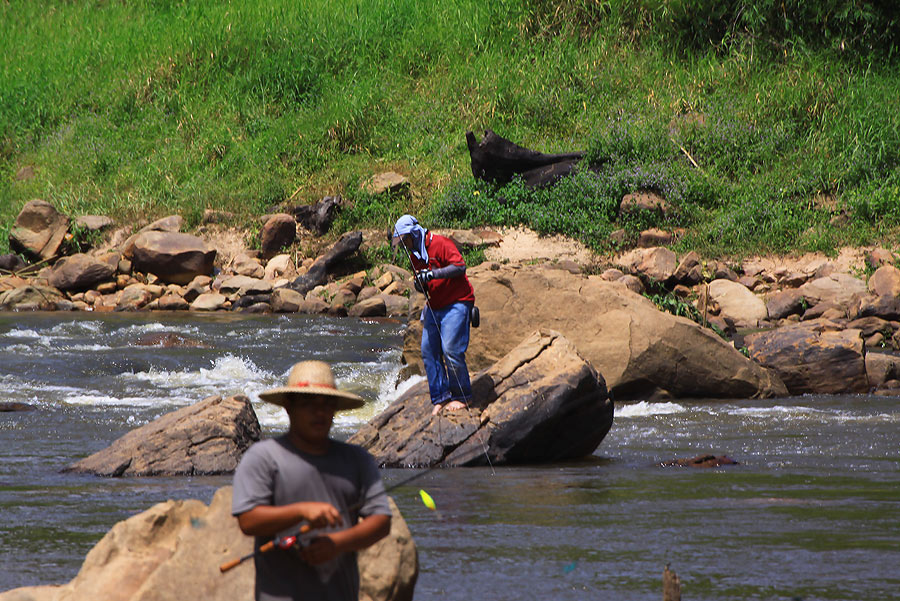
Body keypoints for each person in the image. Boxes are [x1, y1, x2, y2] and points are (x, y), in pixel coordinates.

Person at [232, 360, 392, 601]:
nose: (320, 413)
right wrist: (301, 511)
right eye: (308, 404)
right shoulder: (263, 457)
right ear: (288, 407)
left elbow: (381, 521)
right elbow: (248, 520)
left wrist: (337, 543)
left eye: (327, 405)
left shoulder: (358, 459)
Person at [392, 214, 475, 416]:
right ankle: (441, 397)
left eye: (405, 240)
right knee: (429, 351)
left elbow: (460, 267)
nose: (404, 246)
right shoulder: (414, 256)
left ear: (414, 234)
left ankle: (462, 396)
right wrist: (420, 283)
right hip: (434, 306)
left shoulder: (441, 243)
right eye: (400, 243)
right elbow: (423, 286)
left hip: (457, 302)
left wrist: (433, 274)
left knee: (451, 350)